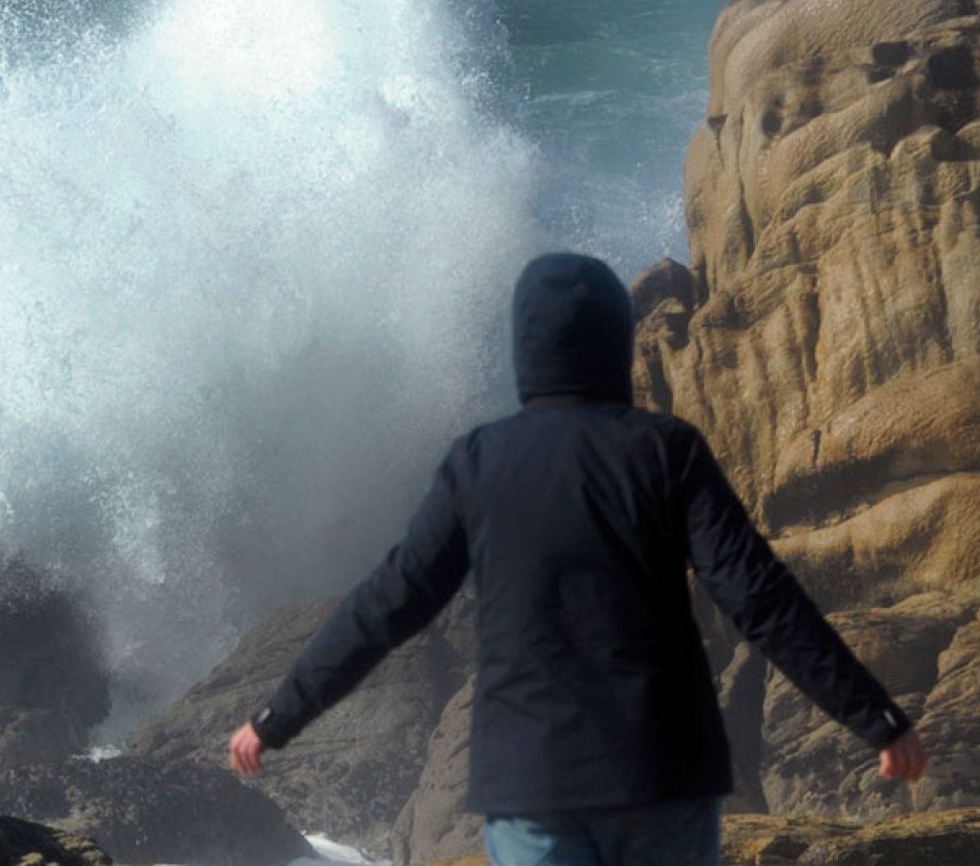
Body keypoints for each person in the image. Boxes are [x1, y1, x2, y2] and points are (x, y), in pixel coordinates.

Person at [225, 253, 929, 866]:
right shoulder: (665, 449)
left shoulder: (480, 462)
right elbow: (758, 597)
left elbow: (390, 603)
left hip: (534, 783)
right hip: (664, 773)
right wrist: (875, 717)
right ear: (616, 342)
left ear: (525, 346)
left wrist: (276, 716)